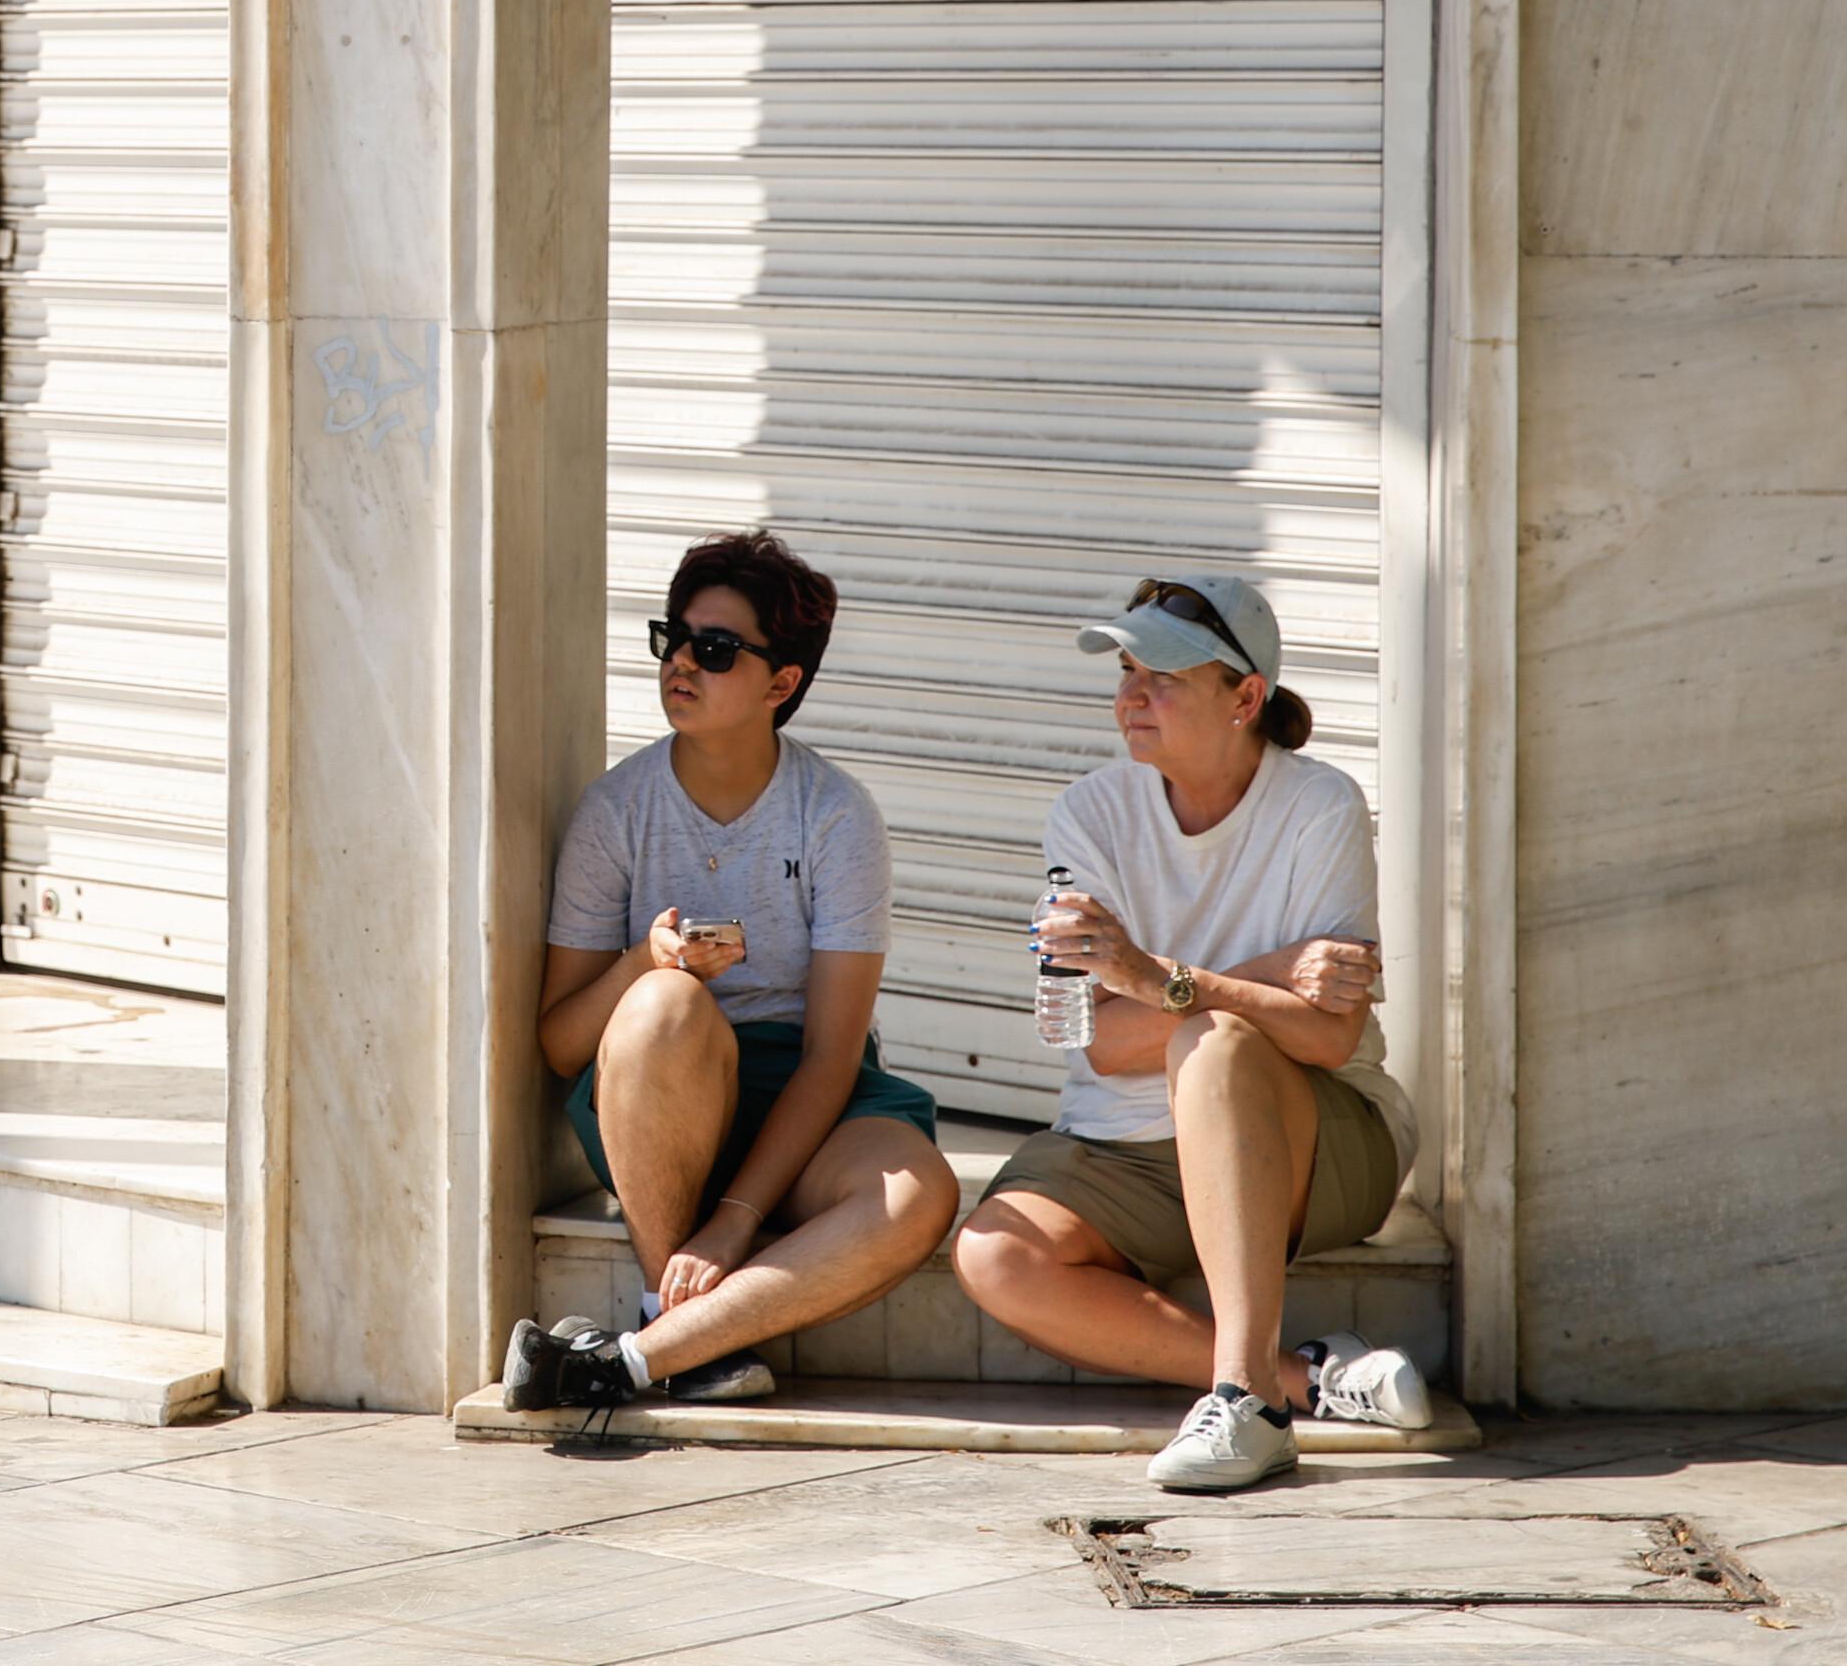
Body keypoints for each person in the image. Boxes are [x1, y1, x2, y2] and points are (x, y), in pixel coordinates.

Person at [950, 569, 1435, 1491]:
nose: (1133, 695)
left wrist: (1157, 982)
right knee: (995, 1254)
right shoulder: (1090, 812)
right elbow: (1101, 1043)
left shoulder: (1319, 807)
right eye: (1127, 672)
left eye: (1165, 678)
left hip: (1321, 1144)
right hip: (1126, 1148)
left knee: (1208, 1047)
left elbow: (1328, 1045)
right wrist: (1263, 972)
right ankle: (1315, 1378)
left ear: (1245, 697)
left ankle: (1248, 1406)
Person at [501, 529, 955, 1414]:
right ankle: (672, 1314)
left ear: (781, 685)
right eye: (674, 638)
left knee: (919, 1192)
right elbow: (560, 1046)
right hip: (660, 1096)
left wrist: (736, 1219)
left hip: (808, 1098)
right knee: (664, 1005)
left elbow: (831, 1054)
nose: (682, 664)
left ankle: (656, 1350)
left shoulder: (835, 817)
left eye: (714, 650)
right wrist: (645, 962)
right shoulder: (614, 811)